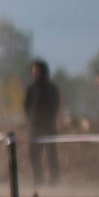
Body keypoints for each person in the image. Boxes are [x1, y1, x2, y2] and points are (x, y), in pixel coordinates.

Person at [24, 59, 61, 187]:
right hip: (34, 128)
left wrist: (48, 118)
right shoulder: (30, 89)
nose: (35, 73)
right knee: (33, 154)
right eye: (33, 71)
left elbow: (55, 105)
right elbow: (26, 106)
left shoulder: (51, 88)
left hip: (48, 126)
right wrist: (31, 119)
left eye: (37, 71)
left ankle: (55, 181)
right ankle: (38, 180)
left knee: (51, 154)